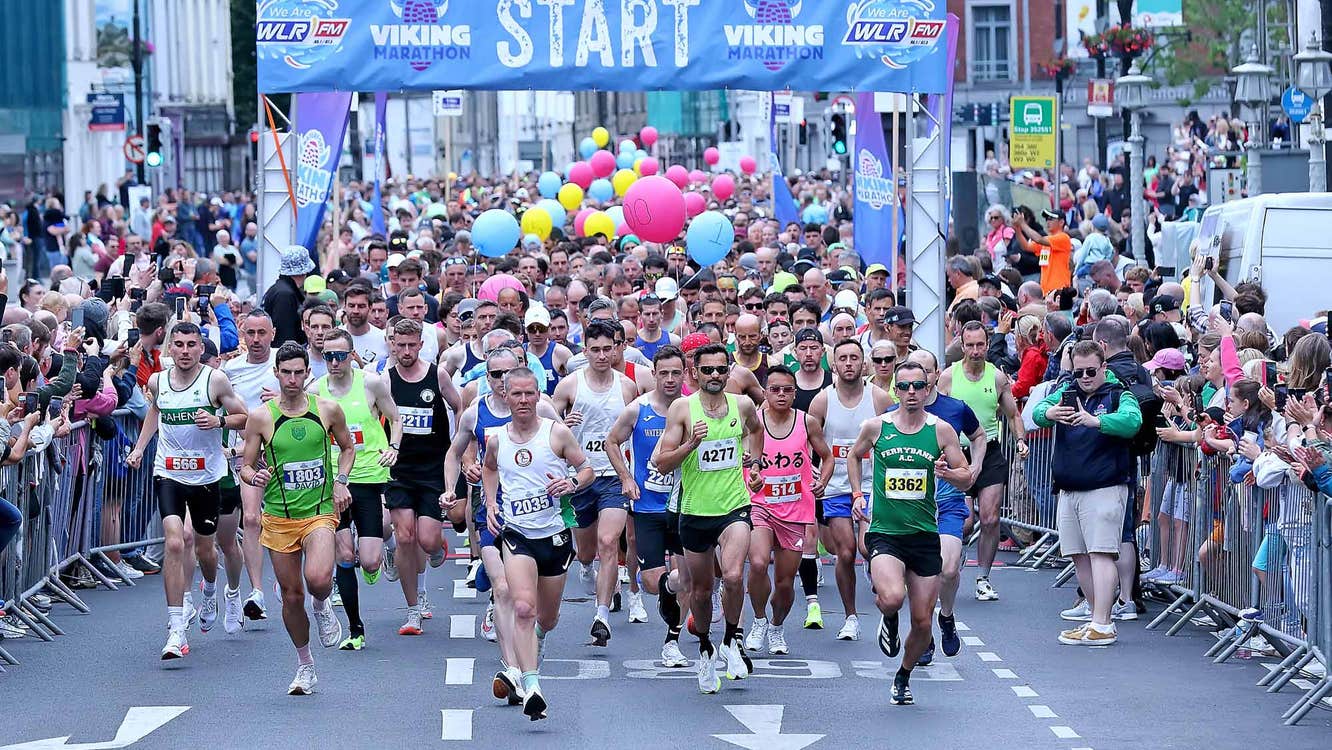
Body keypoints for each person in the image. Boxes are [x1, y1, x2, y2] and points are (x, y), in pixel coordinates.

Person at [846, 361, 971, 705]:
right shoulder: (876, 427)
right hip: (886, 532)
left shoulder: (941, 430)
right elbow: (854, 457)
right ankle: (887, 619)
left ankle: (903, 675)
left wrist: (948, 474)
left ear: (928, 388)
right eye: (904, 387)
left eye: (918, 386)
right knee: (891, 598)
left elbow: (967, 476)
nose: (912, 393)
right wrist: (858, 495)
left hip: (923, 535)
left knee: (921, 623)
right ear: (895, 391)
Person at [442, 347, 561, 701]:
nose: (501, 381)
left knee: (542, 614)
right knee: (504, 589)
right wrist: (456, 482)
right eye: (494, 375)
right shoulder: (475, 411)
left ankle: (529, 645)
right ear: (488, 378)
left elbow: (562, 446)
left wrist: (566, 479)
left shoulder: (540, 407)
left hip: (540, 517)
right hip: (493, 511)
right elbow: (456, 451)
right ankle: (514, 671)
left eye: (508, 373)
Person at [127, 322, 249, 660]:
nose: (184, 351)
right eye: (178, 344)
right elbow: (155, 412)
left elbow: (244, 416)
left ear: (200, 348)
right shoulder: (157, 380)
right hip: (168, 471)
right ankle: (176, 627)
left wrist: (219, 422)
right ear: (170, 347)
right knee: (175, 540)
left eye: (191, 345)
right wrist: (140, 448)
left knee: (207, 550)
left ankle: (211, 588)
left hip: (206, 476)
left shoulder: (215, 381)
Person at [239, 343, 356, 694]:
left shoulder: (328, 410)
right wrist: (254, 476)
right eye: (285, 372)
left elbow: (348, 447)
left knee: (318, 579)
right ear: (276, 373)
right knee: (291, 596)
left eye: (298, 372)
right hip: (279, 516)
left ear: (308, 373)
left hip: (319, 510)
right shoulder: (261, 417)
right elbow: (246, 465)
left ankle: (321, 604)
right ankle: (305, 664)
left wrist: (340, 481)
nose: (292, 379)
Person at [480, 367, 595, 720]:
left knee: (547, 616)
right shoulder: (497, 438)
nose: (524, 400)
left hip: (555, 535)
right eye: (517, 394)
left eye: (530, 393)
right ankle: (532, 686)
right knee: (524, 608)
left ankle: (537, 642)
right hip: (517, 534)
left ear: (538, 394)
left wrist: (571, 483)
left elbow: (587, 469)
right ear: (505, 395)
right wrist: (491, 503)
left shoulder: (556, 433)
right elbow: (488, 468)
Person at [653, 342, 764, 694]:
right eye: (707, 370)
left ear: (729, 371)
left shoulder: (742, 404)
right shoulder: (682, 410)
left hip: (734, 506)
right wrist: (690, 445)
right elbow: (661, 461)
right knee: (700, 592)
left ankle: (732, 640)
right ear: (694, 373)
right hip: (695, 511)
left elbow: (755, 431)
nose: (714, 376)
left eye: (720, 369)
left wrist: (755, 463)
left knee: (732, 576)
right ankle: (705, 648)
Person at [1033, 341, 1142, 646]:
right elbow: (1038, 411)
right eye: (1079, 372)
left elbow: (1134, 421)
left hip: (1105, 485)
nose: (1084, 377)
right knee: (1078, 556)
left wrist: (1099, 421)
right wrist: (1051, 412)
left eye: (1091, 371)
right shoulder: (1069, 391)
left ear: (1103, 368)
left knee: (1101, 553)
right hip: (1069, 487)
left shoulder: (1119, 393)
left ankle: (1103, 623)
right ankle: (1096, 617)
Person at [310, 329, 402, 650]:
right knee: (345, 553)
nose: (333, 362)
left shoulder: (371, 383)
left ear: (351, 355)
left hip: (369, 476)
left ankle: (381, 556)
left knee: (370, 561)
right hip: (334, 482)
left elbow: (396, 417)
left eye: (340, 355)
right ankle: (355, 629)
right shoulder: (315, 391)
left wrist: (393, 446)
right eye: (328, 356)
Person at [551, 319, 638, 645]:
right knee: (586, 552)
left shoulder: (626, 386)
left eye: (607, 349)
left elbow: (635, 429)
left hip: (614, 476)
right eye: (595, 350)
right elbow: (547, 426)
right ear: (584, 351)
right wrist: (562, 421)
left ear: (617, 348)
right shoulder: (570, 386)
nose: (602, 355)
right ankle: (587, 569)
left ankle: (601, 614)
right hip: (580, 476)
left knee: (608, 543)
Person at [605, 345, 690, 667]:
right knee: (656, 583)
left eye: (675, 373)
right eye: (663, 373)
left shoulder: (693, 409)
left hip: (685, 506)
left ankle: (673, 640)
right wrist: (626, 478)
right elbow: (611, 441)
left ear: (685, 374)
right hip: (648, 508)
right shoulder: (638, 409)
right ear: (653, 374)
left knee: (687, 579)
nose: (669, 379)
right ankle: (676, 587)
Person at [902, 350, 986, 664]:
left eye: (923, 374)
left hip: (946, 500)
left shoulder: (954, 409)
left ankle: (946, 616)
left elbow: (979, 436)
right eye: (910, 378)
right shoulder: (895, 411)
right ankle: (922, 634)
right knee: (917, 575)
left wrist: (973, 469)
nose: (915, 385)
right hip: (910, 506)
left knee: (948, 569)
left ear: (936, 375)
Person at [808, 338, 893, 641]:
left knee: (866, 546)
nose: (848, 363)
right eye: (842, 358)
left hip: (872, 484)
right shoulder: (822, 400)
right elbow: (808, 437)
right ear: (833, 364)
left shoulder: (879, 398)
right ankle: (851, 617)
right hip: (836, 486)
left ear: (863, 363)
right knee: (844, 553)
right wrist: (812, 465)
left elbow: (894, 434)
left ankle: (883, 591)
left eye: (854, 358)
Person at [745, 365, 832, 655]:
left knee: (784, 583)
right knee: (757, 563)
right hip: (760, 504)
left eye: (787, 390)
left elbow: (827, 457)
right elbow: (737, 456)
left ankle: (777, 627)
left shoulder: (807, 423)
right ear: (765, 392)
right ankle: (758, 620)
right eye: (775, 389)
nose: (781, 395)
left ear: (795, 393)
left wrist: (823, 481)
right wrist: (748, 468)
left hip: (795, 509)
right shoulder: (752, 422)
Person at [939, 321, 1027, 602]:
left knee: (990, 518)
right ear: (962, 346)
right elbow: (937, 414)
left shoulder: (998, 378)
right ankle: (956, 551)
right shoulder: (949, 377)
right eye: (970, 345)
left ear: (987, 345)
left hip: (989, 451)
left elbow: (1012, 414)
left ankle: (983, 578)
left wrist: (1021, 440)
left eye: (980, 345)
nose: (976, 351)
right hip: (957, 454)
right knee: (965, 522)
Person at [384, 318, 458, 634]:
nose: (406, 351)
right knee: (404, 537)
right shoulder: (385, 380)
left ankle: (438, 546)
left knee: (426, 540)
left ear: (421, 344)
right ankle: (413, 609)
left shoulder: (436, 375)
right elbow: (376, 419)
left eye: (411, 345)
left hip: (431, 469)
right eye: (400, 345)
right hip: (399, 470)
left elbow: (459, 406)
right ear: (392, 345)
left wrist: (457, 449)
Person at [222, 310, 280, 622]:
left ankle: (287, 580)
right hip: (245, 453)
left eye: (262, 333)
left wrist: (283, 394)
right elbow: (226, 410)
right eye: (250, 333)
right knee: (253, 518)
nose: (256, 340)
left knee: (286, 520)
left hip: (284, 452)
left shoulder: (284, 363)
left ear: (273, 333)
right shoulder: (231, 369)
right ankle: (256, 592)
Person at [263, 246, 314, 345]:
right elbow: (284, 335)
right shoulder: (285, 295)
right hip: (286, 355)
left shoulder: (280, 289)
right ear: (304, 271)